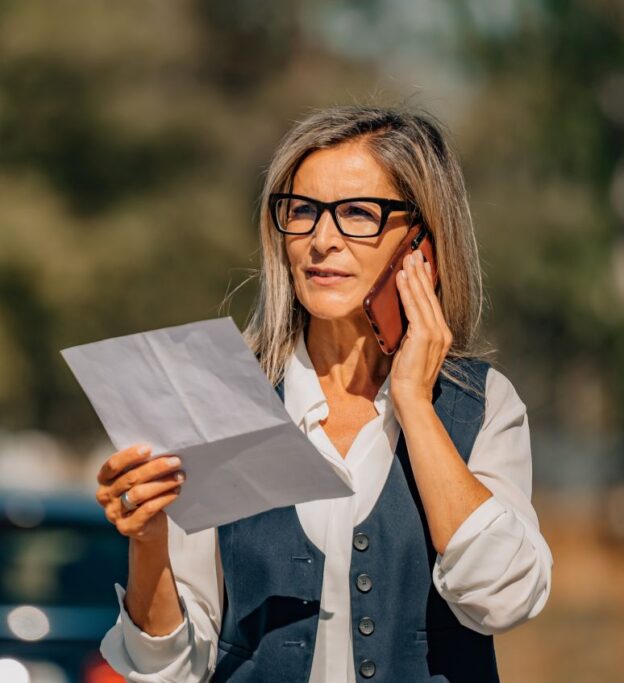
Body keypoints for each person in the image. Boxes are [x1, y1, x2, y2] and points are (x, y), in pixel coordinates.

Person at [93, 104, 553, 682]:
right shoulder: (218, 397)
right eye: (303, 211)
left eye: (358, 213)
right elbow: (168, 666)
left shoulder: (482, 404)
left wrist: (414, 402)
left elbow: (502, 599)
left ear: (422, 243)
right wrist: (149, 540)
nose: (321, 239)